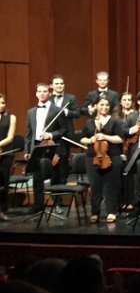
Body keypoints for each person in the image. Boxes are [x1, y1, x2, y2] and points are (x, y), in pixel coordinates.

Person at [80, 95, 126, 224]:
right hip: (93, 158)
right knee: (95, 186)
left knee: (110, 186)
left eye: (107, 105)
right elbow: (82, 138)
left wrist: (104, 136)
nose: (104, 107)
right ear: (96, 106)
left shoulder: (115, 121)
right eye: (101, 104)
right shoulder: (89, 122)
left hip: (112, 157)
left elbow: (120, 139)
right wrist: (90, 140)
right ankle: (95, 212)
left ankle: (111, 212)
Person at [25, 83, 68, 215]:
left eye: (45, 91)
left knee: (55, 175)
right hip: (37, 146)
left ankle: (58, 203)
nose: (42, 93)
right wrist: (27, 150)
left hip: (51, 145)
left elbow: (64, 129)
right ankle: (38, 205)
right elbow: (28, 134)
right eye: (40, 91)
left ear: (49, 93)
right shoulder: (30, 112)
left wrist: (50, 134)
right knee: (37, 177)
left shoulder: (57, 110)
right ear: (36, 93)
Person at [49, 75, 80, 185]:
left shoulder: (70, 98)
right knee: (52, 164)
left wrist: (66, 111)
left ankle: (62, 189)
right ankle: (54, 191)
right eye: (56, 83)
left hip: (65, 136)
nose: (59, 86)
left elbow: (77, 113)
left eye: (61, 83)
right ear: (51, 85)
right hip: (51, 136)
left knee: (63, 164)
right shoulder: (47, 99)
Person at [0, 94, 17, 221]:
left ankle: (2, 210)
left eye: (3, 103)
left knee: (4, 183)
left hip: (6, 153)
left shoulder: (11, 117)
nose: (2, 105)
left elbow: (10, 137)